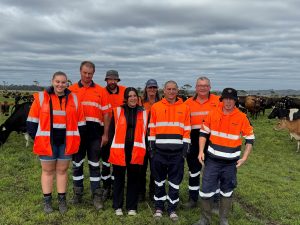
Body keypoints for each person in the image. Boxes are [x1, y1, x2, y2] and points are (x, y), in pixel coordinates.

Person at [26, 71, 86, 214]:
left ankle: (62, 200)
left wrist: (77, 140)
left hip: (66, 142)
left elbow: (81, 123)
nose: (60, 85)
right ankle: (47, 201)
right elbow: (31, 122)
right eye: (57, 81)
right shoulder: (41, 98)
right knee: (47, 171)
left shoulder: (74, 99)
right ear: (52, 81)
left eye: (63, 82)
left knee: (62, 171)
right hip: (47, 142)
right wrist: (39, 138)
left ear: (67, 83)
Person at [194, 88, 255, 225]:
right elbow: (203, 133)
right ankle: (205, 219)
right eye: (226, 98)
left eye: (231, 99)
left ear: (235, 101)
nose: (228, 101)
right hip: (212, 161)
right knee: (205, 191)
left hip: (230, 163)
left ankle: (224, 219)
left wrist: (244, 157)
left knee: (227, 192)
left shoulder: (242, 117)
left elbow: (250, 139)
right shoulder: (213, 114)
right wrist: (200, 151)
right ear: (222, 100)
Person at [69, 61, 111, 210]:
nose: (87, 76)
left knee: (94, 166)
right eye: (85, 73)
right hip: (77, 135)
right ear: (80, 71)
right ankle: (77, 194)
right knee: (77, 166)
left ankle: (96, 196)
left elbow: (107, 114)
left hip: (95, 134)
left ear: (93, 74)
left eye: (90, 73)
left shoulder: (101, 90)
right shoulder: (71, 90)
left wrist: (105, 135)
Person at [148, 80, 191, 221]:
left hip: (177, 154)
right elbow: (152, 129)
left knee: (174, 182)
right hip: (159, 153)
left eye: (174, 89)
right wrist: (152, 150)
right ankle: (159, 207)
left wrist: (184, 152)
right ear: (164, 90)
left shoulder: (184, 108)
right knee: (159, 182)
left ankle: (172, 208)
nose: (171, 92)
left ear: (177, 91)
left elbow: (186, 131)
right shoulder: (156, 107)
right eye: (168, 89)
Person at [108, 87, 148, 216]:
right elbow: (111, 132)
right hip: (120, 149)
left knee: (134, 179)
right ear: (126, 98)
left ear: (138, 97)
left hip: (136, 149)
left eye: (135, 95)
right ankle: (117, 206)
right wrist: (110, 148)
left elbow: (146, 133)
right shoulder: (118, 111)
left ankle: (132, 207)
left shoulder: (144, 112)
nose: (133, 98)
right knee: (118, 178)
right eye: (130, 96)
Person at [183, 77, 219, 208]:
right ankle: (193, 199)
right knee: (194, 170)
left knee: (214, 170)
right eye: (200, 86)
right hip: (193, 140)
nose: (202, 88)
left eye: (205, 86)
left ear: (210, 87)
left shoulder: (218, 101)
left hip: (213, 139)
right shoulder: (187, 103)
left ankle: (215, 201)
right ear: (196, 87)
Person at [101, 69, 126, 201]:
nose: (112, 82)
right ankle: (106, 187)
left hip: (121, 130)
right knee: (105, 161)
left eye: (114, 79)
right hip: (105, 129)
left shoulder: (125, 91)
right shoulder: (101, 92)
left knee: (118, 160)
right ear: (106, 80)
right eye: (110, 79)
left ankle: (117, 185)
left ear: (117, 80)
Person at [139, 79, 160, 202]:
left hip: (156, 139)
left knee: (155, 168)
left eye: (154, 87)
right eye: (149, 87)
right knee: (141, 168)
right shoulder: (141, 103)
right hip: (142, 138)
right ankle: (141, 193)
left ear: (157, 89)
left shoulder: (161, 102)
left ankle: (153, 192)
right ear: (146, 89)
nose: (152, 90)